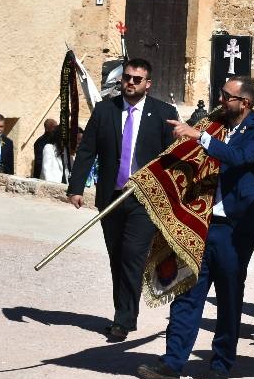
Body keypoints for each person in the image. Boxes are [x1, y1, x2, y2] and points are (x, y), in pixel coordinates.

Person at [138, 76, 254, 379]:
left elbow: (241, 158)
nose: (220, 101)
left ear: (245, 102)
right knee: (186, 292)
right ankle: (172, 363)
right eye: (221, 94)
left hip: (234, 229)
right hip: (199, 224)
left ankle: (220, 364)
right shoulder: (214, 124)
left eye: (227, 97)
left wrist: (200, 137)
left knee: (229, 297)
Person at [67, 58, 179, 342]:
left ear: (147, 84)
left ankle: (124, 319)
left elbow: (174, 158)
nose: (130, 83)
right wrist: (76, 187)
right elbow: (87, 150)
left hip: (143, 200)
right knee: (117, 256)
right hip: (111, 198)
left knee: (133, 255)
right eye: (127, 78)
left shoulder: (164, 113)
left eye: (136, 79)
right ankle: (123, 310)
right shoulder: (105, 110)